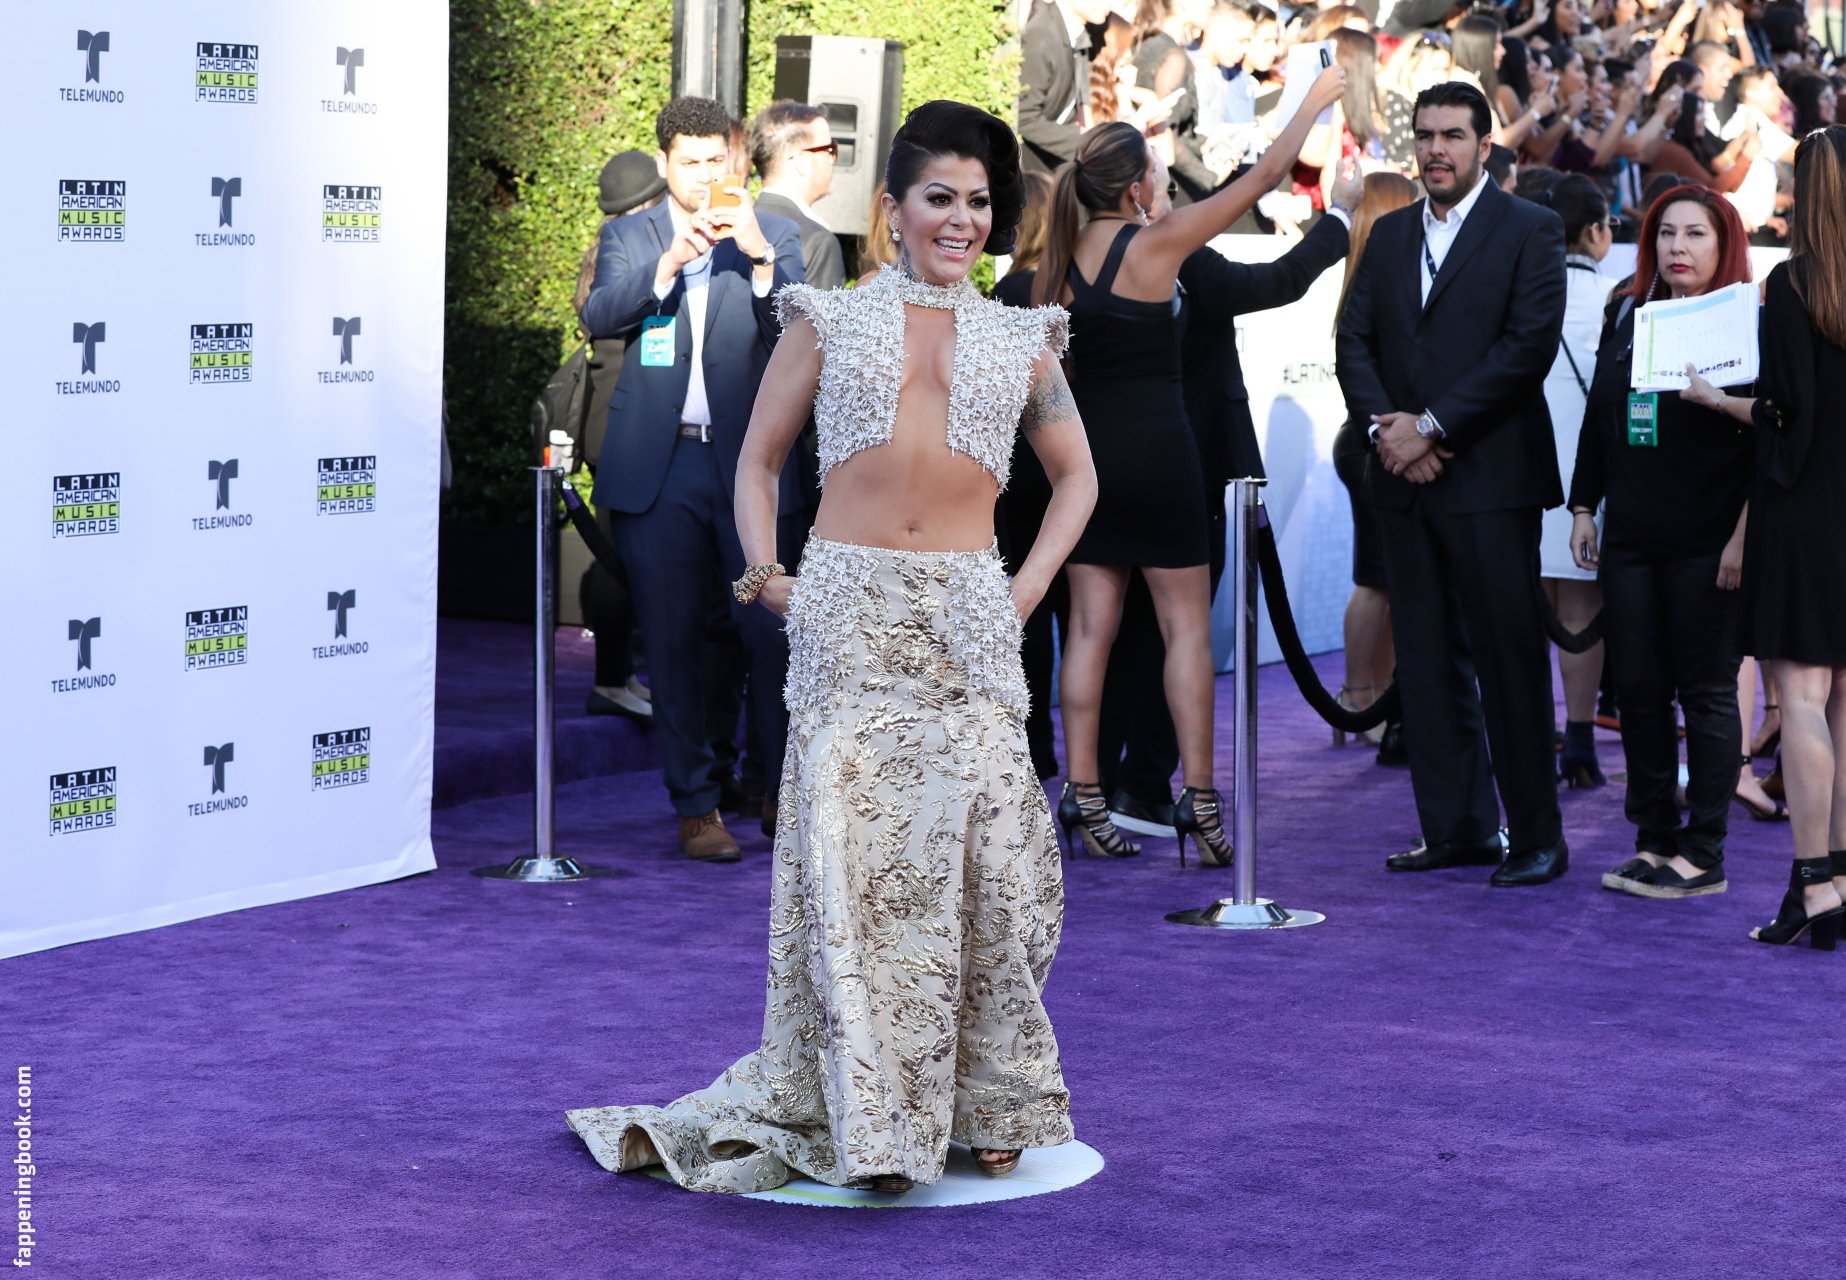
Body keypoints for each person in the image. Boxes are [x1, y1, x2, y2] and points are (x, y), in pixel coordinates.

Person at [566, 100, 1099, 1192]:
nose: (961, 220)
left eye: (978, 202)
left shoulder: (1021, 337)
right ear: (892, 210)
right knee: (857, 875)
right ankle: (875, 1119)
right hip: (848, 617)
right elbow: (756, 461)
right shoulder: (829, 318)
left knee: (996, 866)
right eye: (939, 198)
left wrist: (1027, 586)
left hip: (969, 621)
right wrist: (764, 575)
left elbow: (1078, 477)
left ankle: (987, 1093)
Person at [1033, 60, 1346, 863]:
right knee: (1185, 633)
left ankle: (1084, 794)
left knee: (1090, 632)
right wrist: (1311, 102)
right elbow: (1265, 177)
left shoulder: (1053, 265)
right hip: (1163, 460)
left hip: (1087, 470)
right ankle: (1199, 805)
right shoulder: (1157, 244)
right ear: (1138, 186)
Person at [1335, 80, 1571, 887]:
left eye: (1453, 136)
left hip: (1492, 482)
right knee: (1428, 665)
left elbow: (1527, 347)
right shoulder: (1391, 233)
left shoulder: (1530, 228)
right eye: (1425, 135)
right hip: (1405, 480)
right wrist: (1388, 432)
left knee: (1509, 663)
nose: (1436, 150)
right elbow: (1353, 341)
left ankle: (1537, 835)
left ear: (1483, 146)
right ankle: (1457, 829)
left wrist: (1431, 426)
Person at [579, 96, 806, 863]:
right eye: (690, 162)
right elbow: (599, 315)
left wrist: (761, 257)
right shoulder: (631, 235)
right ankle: (696, 806)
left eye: (717, 160)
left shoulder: (773, 234)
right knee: (672, 641)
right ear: (665, 164)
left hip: (751, 467)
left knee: (770, 632)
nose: (706, 175)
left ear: (735, 161)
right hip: (661, 465)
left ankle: (778, 788)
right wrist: (668, 265)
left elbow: (806, 333)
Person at [1569, 185, 1755, 899]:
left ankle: (1703, 851)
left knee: (1705, 694)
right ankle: (1653, 839)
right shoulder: (1629, 312)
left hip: (1711, 543)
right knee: (1641, 695)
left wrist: (1743, 538)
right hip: (1631, 541)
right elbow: (1600, 417)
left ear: (1723, 244)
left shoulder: (1747, 324)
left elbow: (1774, 443)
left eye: (1696, 234)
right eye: (1666, 233)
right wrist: (1584, 506)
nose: (1678, 247)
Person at [1725, 126, 1846, 946]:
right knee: (1844, 703)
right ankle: (1839, 877)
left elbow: (1784, 415)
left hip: (1806, 512)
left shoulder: (1792, 283)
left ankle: (1814, 885)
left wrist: (1725, 404)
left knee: (1802, 697)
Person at [575, 150, 665, 723]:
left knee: (618, 556)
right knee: (615, 559)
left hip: (607, 423)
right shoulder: (633, 256)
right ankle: (610, 680)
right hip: (618, 426)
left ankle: (619, 675)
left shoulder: (603, 253)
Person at [1332, 172, 1420, 750]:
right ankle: (1358, 695)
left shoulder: (1372, 276)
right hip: (1370, 447)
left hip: (1373, 442)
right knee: (1375, 580)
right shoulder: (1376, 281)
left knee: (1387, 580)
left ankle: (1377, 691)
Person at [1534, 174, 1612, 789]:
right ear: (1595, 231)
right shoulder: (1618, 298)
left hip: (1525, 480)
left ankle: (1531, 738)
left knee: (1524, 613)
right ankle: (1580, 740)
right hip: (1590, 487)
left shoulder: (1524, 291)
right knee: (1582, 612)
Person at [993, 169, 1067, 779]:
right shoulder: (1072, 292)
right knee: (1084, 621)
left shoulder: (1011, 296)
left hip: (1021, 478)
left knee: (1029, 616)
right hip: (1066, 476)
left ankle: (1035, 744)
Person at [748, 100, 846, 290]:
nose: (833, 159)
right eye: (829, 149)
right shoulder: (818, 241)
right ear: (801, 161)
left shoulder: (737, 228)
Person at [1019, 0, 1117, 174]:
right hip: (1032, 170)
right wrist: (1088, 144)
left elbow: (1080, 104)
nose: (1110, 4)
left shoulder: (1074, 31)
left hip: (1056, 161)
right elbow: (1024, 117)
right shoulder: (1041, 34)